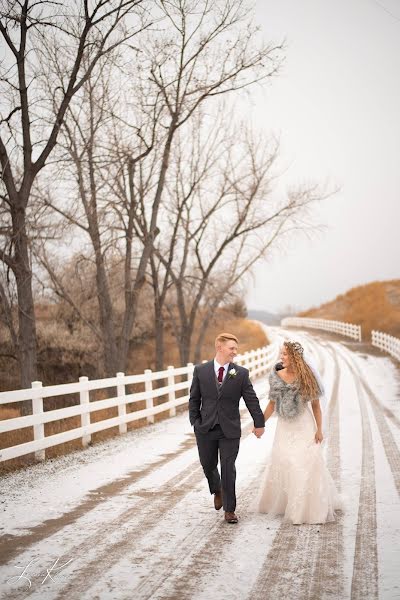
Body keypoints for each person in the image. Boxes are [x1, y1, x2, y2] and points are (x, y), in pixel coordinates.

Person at [256, 340, 342, 524]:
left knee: (301, 463)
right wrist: (259, 423)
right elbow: (271, 404)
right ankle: (284, 503)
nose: (281, 357)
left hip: (304, 425)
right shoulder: (276, 375)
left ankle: (303, 509)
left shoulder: (307, 377)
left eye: (285, 354)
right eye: (281, 353)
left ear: (295, 357)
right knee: (284, 460)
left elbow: (316, 406)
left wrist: (319, 429)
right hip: (285, 427)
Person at [189, 332, 265, 524]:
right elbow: (194, 399)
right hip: (205, 427)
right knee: (207, 464)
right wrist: (195, 422)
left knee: (228, 467)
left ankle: (230, 510)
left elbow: (251, 399)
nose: (235, 352)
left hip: (229, 429)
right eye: (232, 348)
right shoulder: (201, 371)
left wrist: (259, 422)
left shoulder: (240, 373)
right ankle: (217, 489)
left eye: (236, 349)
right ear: (219, 347)